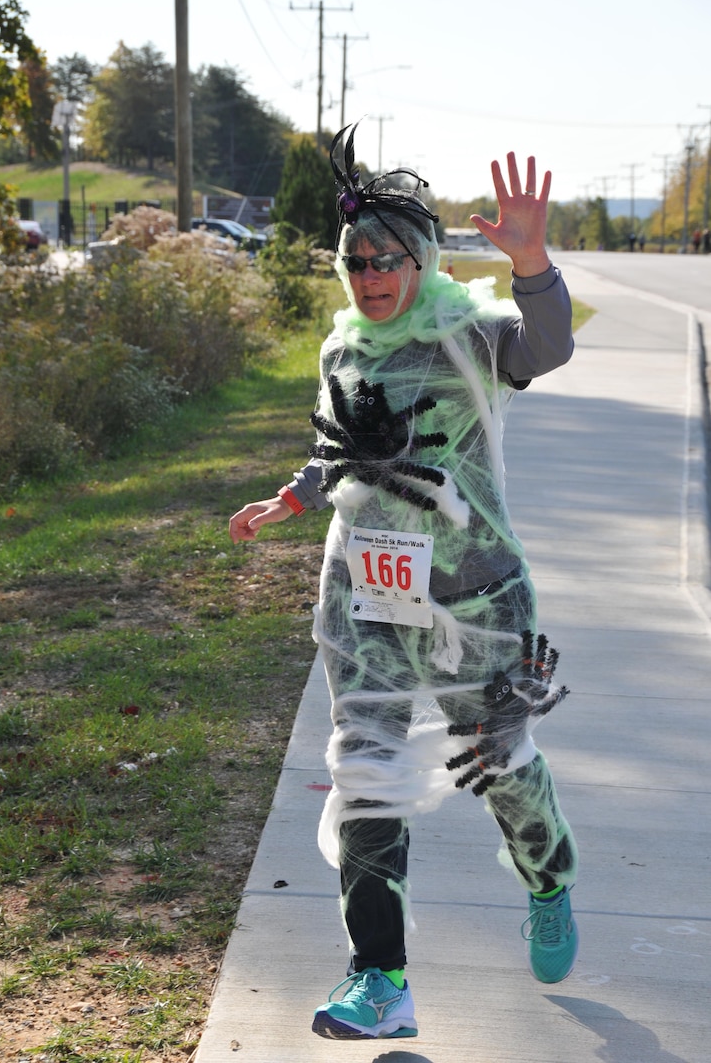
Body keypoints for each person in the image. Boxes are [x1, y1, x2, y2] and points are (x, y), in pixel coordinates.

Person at [229, 122, 579, 1041]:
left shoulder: (472, 335)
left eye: (387, 258)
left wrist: (533, 264)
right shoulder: (341, 348)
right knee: (365, 772)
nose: (371, 274)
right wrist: (292, 499)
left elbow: (546, 346)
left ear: (421, 262)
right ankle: (377, 977)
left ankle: (547, 878)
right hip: (364, 596)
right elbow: (337, 448)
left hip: (475, 597)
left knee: (495, 762)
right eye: (355, 260)